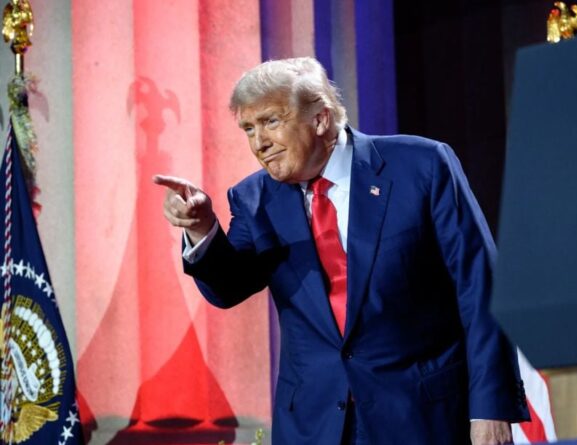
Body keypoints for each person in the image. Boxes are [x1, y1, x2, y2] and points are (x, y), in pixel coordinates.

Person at [155, 57, 528, 445]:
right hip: (314, 427)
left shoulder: (421, 166)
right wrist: (201, 228)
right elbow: (227, 287)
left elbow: (480, 288)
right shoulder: (255, 198)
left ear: (320, 119)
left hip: (420, 416)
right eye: (248, 128)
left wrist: (490, 407)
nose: (258, 143)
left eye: (271, 121)